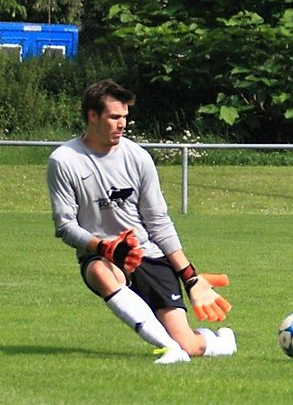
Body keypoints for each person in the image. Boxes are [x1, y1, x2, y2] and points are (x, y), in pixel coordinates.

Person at [47, 79, 237, 364]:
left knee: (190, 345)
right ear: (92, 115)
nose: (122, 124)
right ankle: (168, 348)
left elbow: (159, 222)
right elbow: (65, 225)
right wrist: (104, 247)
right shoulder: (64, 161)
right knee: (100, 272)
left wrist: (190, 276)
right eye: (114, 117)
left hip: (148, 255)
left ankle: (221, 342)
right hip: (104, 256)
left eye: (125, 117)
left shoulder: (138, 158)